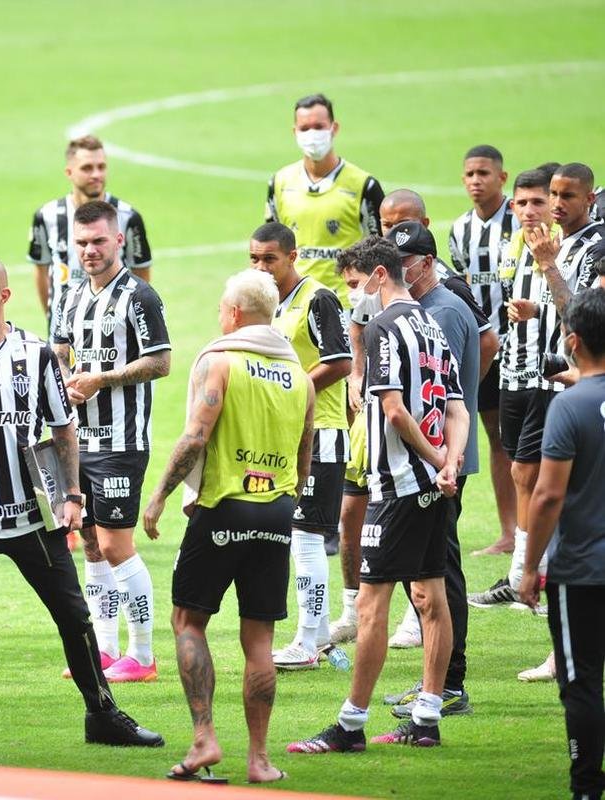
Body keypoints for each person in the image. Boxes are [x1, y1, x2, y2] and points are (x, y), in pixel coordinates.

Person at [0, 257, 163, 757]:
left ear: (4, 297)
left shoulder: (36, 354)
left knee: (75, 618)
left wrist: (72, 495)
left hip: (32, 518)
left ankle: (102, 715)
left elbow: (63, 427)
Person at [288, 235, 468, 754]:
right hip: (434, 486)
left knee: (371, 606)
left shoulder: (387, 326)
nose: (353, 297)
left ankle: (349, 725)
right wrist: (451, 462)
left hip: (397, 486)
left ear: (379, 276)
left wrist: (435, 463)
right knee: (431, 597)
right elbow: (455, 408)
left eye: (353, 285)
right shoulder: (430, 325)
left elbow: (391, 409)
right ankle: (427, 717)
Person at [143, 270, 313, 785]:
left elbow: (196, 436)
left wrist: (160, 495)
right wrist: (281, 505)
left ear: (234, 314)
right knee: (259, 639)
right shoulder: (299, 377)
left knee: (187, 622)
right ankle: (259, 761)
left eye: (222, 307)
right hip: (277, 512)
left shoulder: (221, 362)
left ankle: (204, 740)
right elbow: (304, 460)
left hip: (225, 507)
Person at [471, 165, 602, 627]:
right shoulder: (547, 241)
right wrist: (533, 308)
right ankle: (528, 574)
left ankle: (537, 576)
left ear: (590, 198)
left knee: (556, 483)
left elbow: (585, 320)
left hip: (574, 383)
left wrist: (548, 266)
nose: (558, 203)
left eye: (567, 195)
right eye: (554, 193)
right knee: (525, 471)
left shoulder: (592, 248)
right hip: (536, 374)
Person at [52, 200, 171, 683]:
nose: (89, 250)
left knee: (116, 544)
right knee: (90, 546)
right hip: (77, 441)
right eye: (81, 243)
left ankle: (142, 656)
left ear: (118, 240)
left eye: (99, 241)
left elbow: (160, 361)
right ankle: (104, 650)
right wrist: (65, 379)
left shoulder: (140, 297)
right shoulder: (67, 296)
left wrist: (104, 379)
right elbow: (59, 352)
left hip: (120, 441)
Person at [378, 221, 493, 720]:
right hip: (441, 459)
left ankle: (448, 683)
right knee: (429, 573)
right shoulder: (439, 307)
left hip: (436, 464)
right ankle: (438, 682)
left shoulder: (439, 312)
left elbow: (431, 397)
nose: (398, 275)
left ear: (427, 263)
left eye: (406, 265)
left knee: (437, 574)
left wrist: (444, 455)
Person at [248, 222, 351, 670]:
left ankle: (308, 642)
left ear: (293, 256)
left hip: (322, 434)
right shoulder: (268, 306)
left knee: (307, 535)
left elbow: (340, 361)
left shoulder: (318, 298)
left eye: (269, 258)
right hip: (287, 436)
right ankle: (322, 634)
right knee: (297, 534)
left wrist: (292, 390)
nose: (260, 267)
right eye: (253, 258)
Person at [519, 288, 605, 800]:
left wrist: (530, 567)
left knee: (581, 681)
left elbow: (548, 494)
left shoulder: (569, 406)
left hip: (581, 568)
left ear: (572, 341)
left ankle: (586, 787)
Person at [448, 145, 519, 557]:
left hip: (516, 349)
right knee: (490, 436)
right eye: (470, 174)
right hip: (480, 349)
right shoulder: (460, 229)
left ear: (502, 177)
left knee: (514, 439)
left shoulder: (520, 221)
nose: (477, 181)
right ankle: (509, 532)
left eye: (484, 173)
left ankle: (526, 532)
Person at [266, 93, 384, 305]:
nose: (312, 134)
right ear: (295, 132)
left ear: (334, 128)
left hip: (347, 305)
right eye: (304, 128)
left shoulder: (363, 185)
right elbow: (271, 247)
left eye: (319, 127)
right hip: (295, 304)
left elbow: (382, 249)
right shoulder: (279, 183)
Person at [29, 135, 152, 330]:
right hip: (64, 331)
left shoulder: (128, 217)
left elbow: (141, 272)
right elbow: (41, 271)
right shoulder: (47, 216)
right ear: (69, 172)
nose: (96, 174)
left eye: (101, 167)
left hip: (115, 329)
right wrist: (54, 317)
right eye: (87, 168)